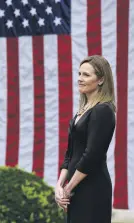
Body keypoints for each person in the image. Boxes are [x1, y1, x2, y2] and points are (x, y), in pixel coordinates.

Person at [55, 55, 116, 223]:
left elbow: (91, 156)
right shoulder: (82, 111)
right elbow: (70, 153)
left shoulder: (103, 110)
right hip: (75, 187)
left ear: (101, 80)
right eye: (79, 74)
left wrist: (68, 188)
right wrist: (59, 185)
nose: (80, 79)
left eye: (86, 75)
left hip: (92, 188)